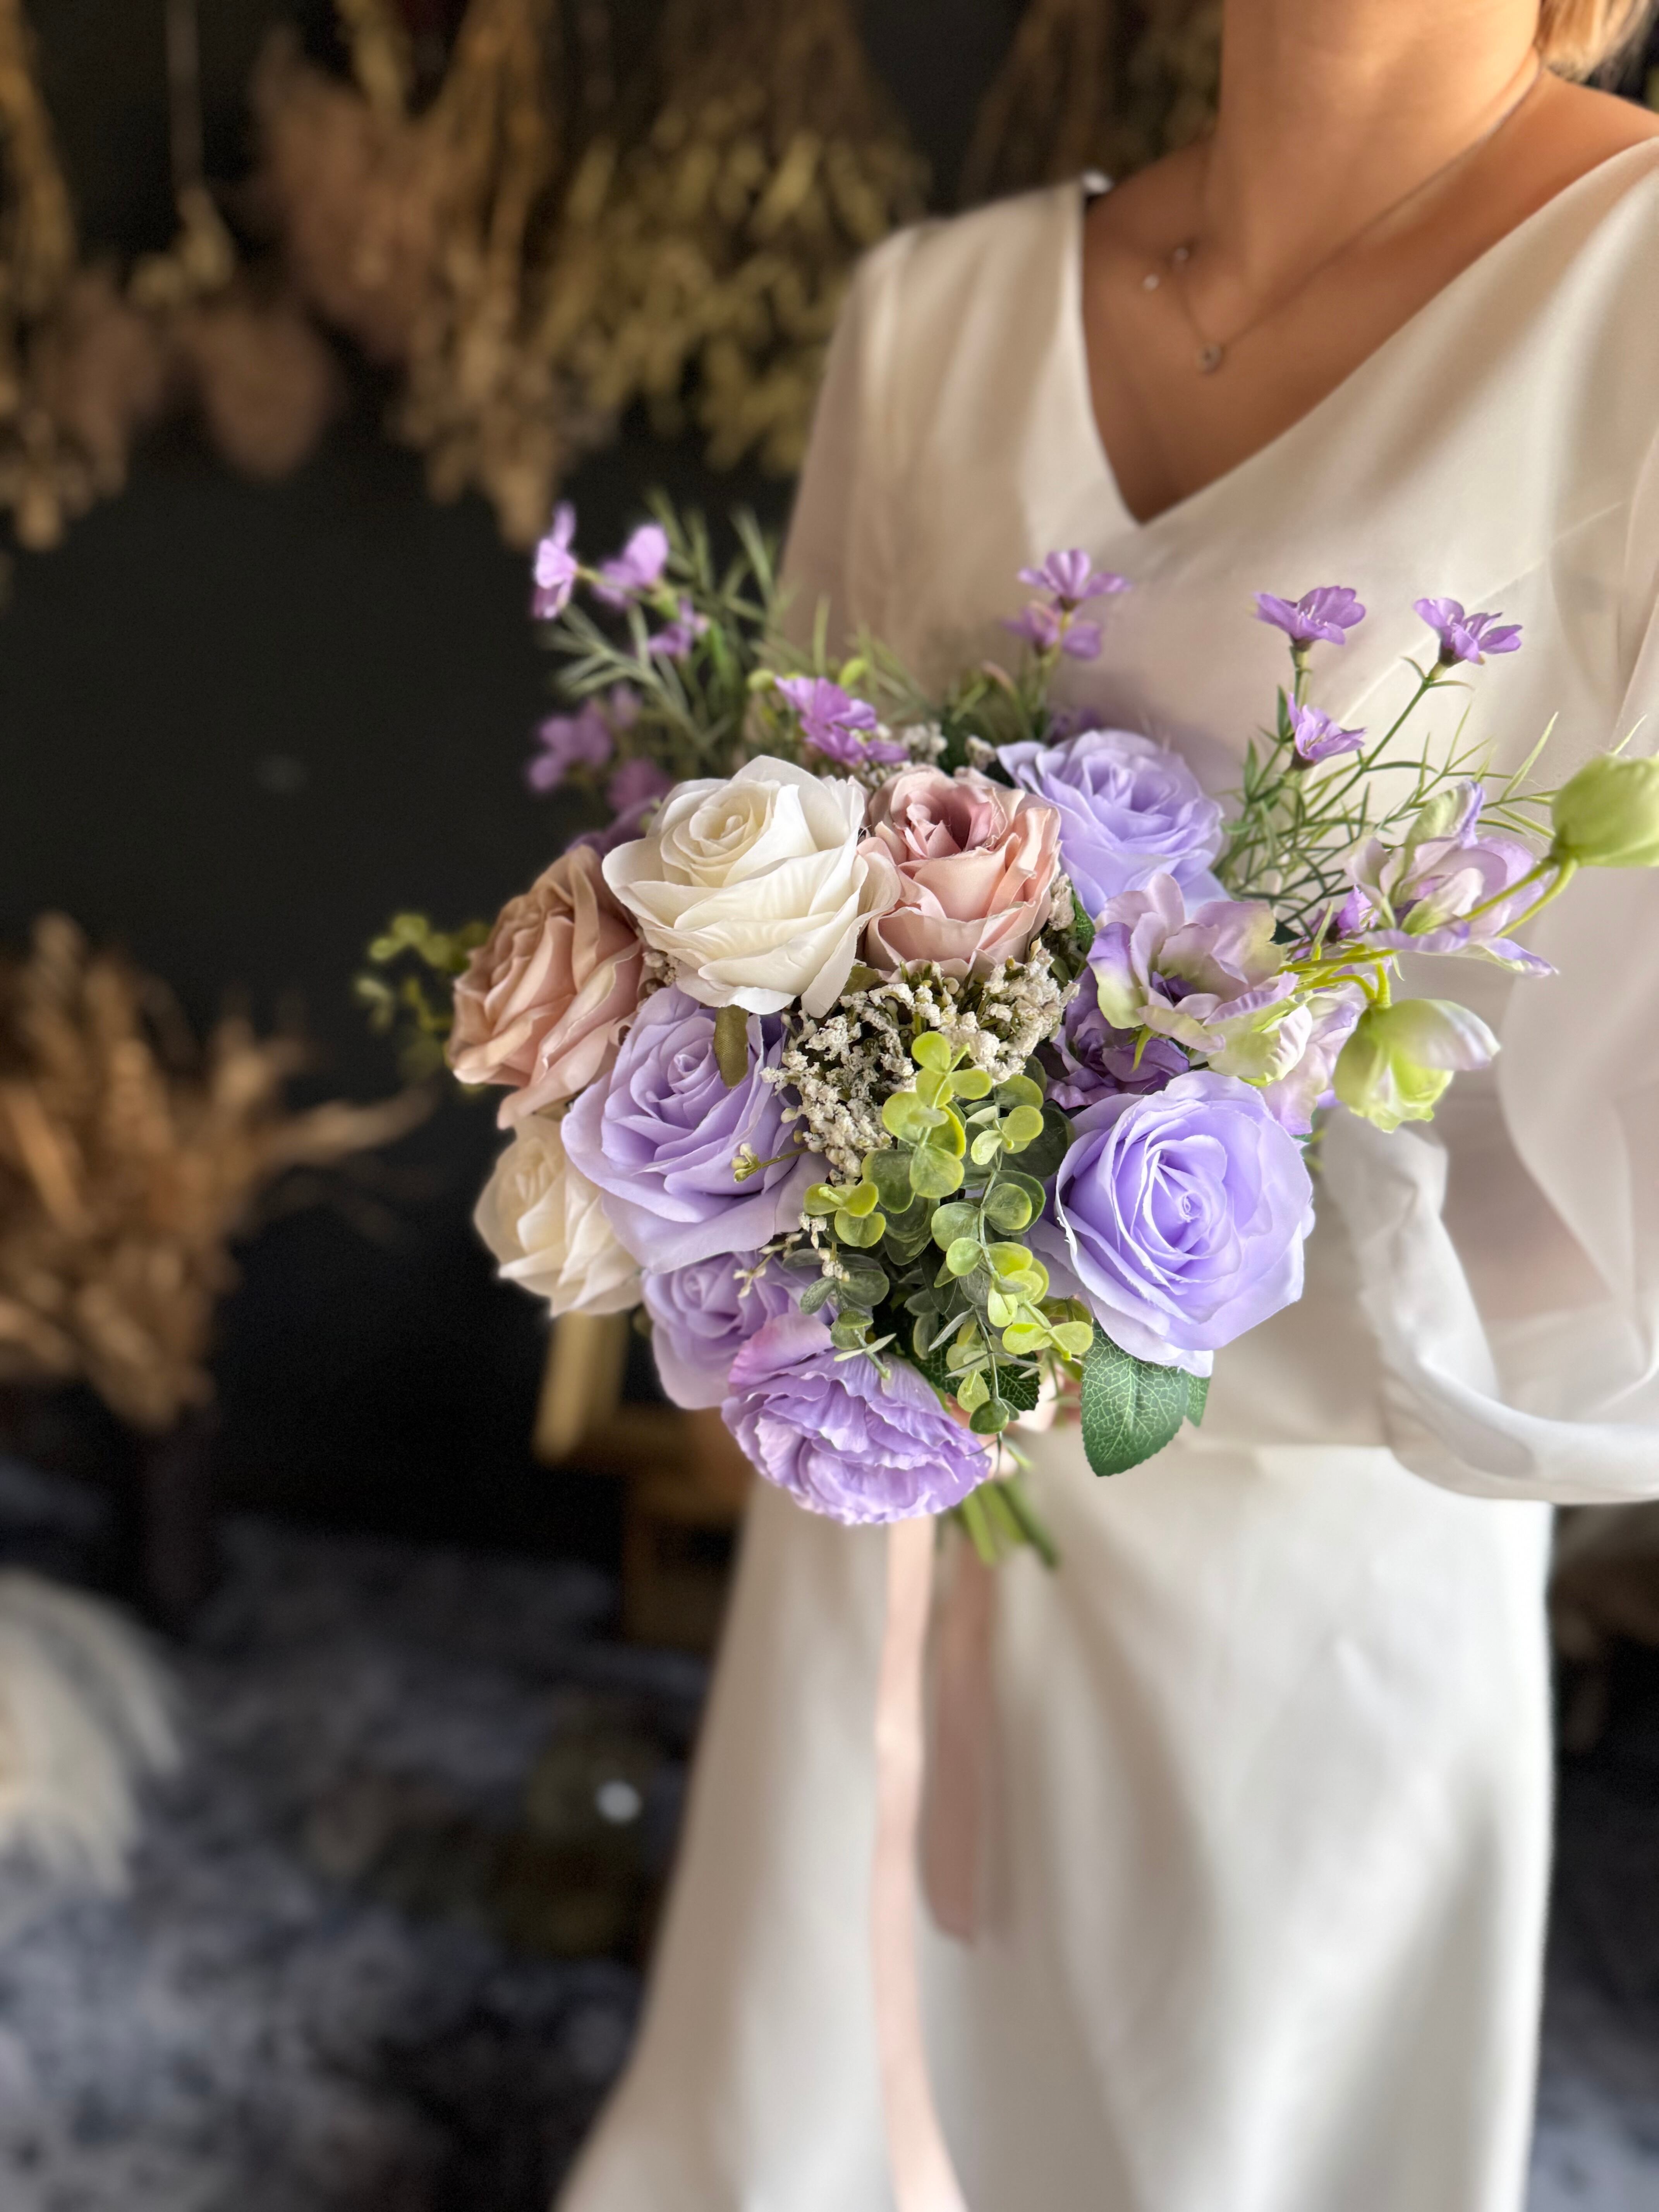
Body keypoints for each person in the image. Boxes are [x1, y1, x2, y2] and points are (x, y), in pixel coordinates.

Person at [559, 4, 1659, 2207]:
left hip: (1305, 1590)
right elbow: (763, 890)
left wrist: (1106, 1284)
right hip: (883, 1492)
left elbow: (1628, 1219)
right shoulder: (937, 315)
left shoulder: (1626, 312)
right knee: (801, 2104)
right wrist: (829, 1234)